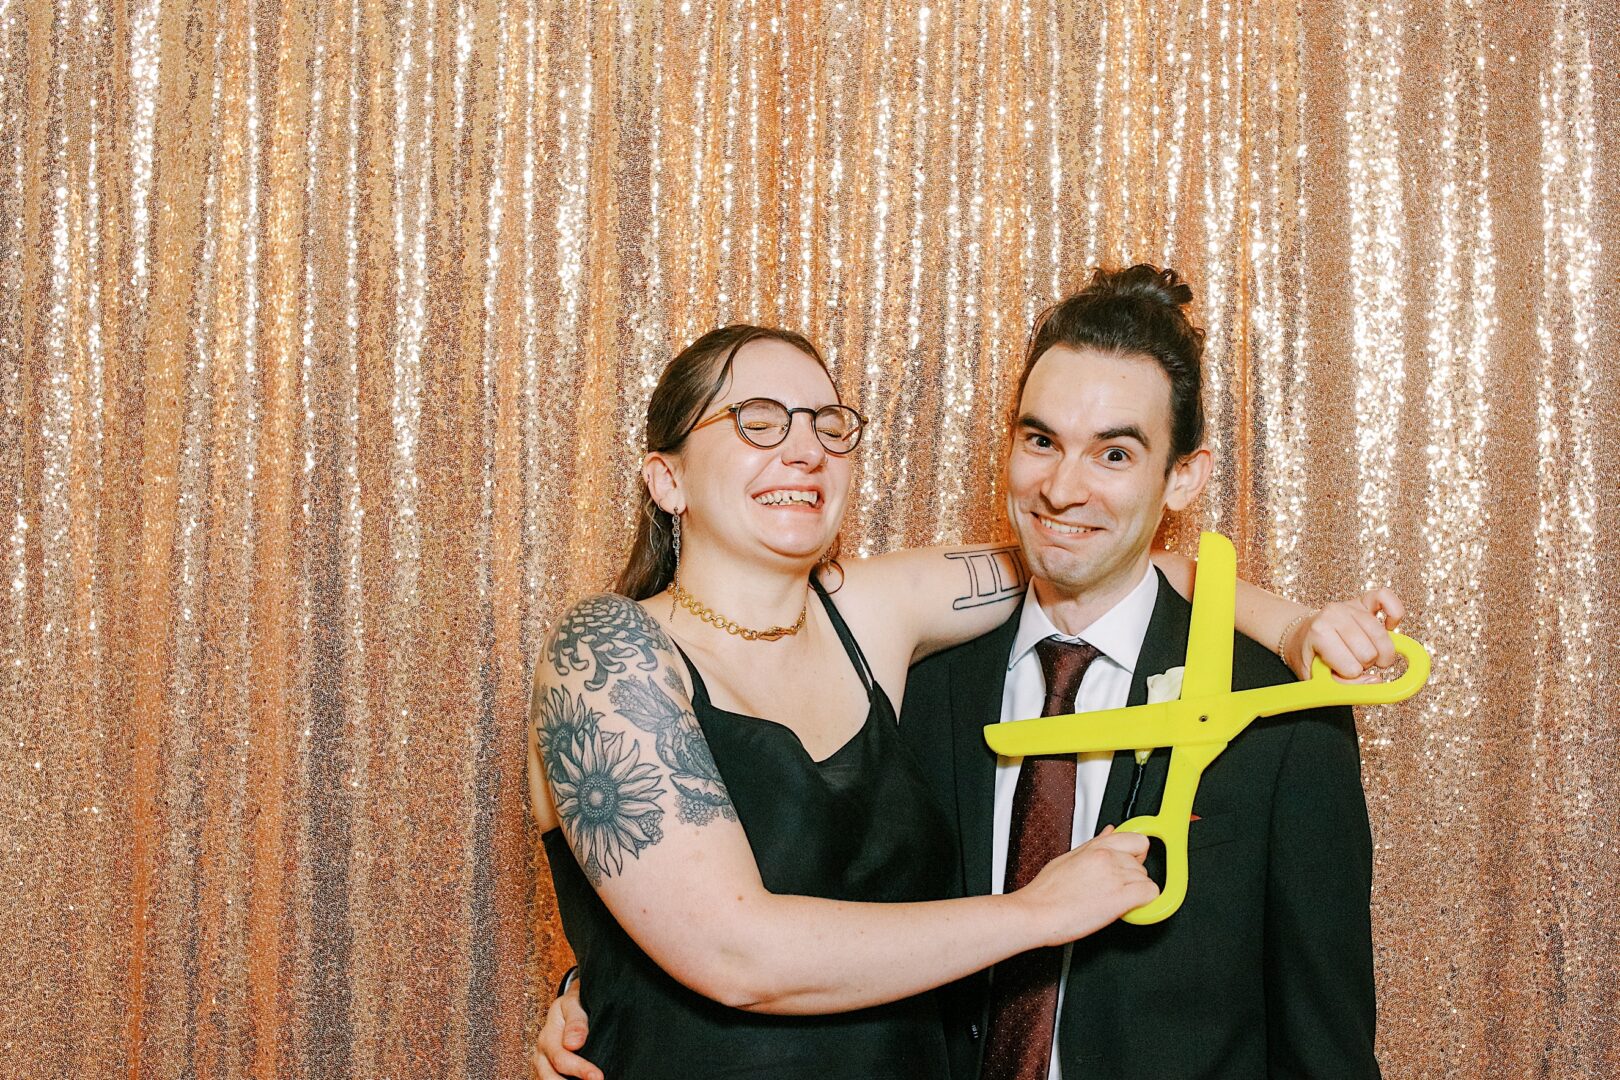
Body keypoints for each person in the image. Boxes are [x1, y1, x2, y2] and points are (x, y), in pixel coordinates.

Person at [530, 302, 1399, 1079]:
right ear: (666, 477)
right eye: (756, 420)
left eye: (826, 423)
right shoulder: (604, 651)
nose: (801, 446)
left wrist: (1288, 625)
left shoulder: (878, 620)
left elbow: (1089, 543)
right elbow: (732, 951)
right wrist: (1034, 912)